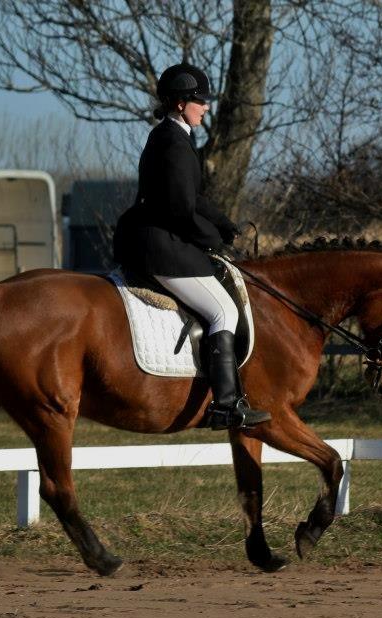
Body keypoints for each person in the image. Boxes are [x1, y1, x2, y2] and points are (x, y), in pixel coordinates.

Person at [113, 63, 271, 430]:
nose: (206, 107)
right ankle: (227, 405)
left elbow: (191, 197)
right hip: (161, 244)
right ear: (182, 102)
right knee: (223, 313)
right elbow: (181, 210)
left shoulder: (173, 136)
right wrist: (211, 241)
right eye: (201, 100)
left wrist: (223, 224)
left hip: (155, 236)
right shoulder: (174, 142)